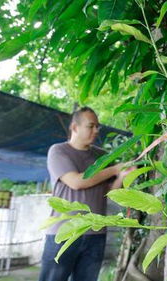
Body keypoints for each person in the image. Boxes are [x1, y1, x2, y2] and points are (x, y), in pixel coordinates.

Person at [39, 107, 133, 281]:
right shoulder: (58, 151)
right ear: (75, 127)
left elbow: (109, 193)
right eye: (91, 126)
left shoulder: (102, 156)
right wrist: (114, 169)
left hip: (96, 234)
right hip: (64, 233)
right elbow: (76, 182)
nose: (96, 130)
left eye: (97, 126)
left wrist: (121, 176)